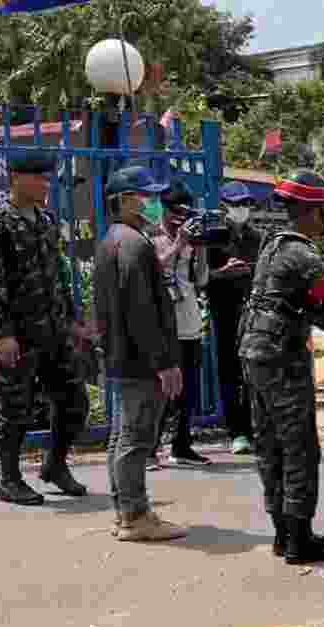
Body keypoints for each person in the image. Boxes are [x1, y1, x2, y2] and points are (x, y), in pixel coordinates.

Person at [237, 170, 324, 565]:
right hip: (282, 359)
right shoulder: (302, 255)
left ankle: (282, 533)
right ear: (313, 211)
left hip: (254, 356)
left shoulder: (273, 246)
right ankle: (299, 539)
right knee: (299, 447)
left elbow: (309, 304)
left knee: (269, 445)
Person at [0, 151, 91, 505]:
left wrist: (73, 320)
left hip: (55, 329)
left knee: (74, 400)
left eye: (47, 178)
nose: (46, 184)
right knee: (15, 408)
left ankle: (55, 465)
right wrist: (3, 333)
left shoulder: (46, 219)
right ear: (15, 177)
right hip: (21, 333)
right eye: (39, 178)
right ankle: (9, 479)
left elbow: (58, 272)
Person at [91, 166, 187, 542]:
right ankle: (135, 515)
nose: (151, 202)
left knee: (122, 437)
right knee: (136, 438)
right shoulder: (134, 243)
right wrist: (162, 362)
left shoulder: (113, 240)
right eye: (144, 196)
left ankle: (126, 511)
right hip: (140, 359)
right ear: (125, 200)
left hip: (121, 353)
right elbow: (141, 309)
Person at [151, 180, 212, 468]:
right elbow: (154, 269)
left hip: (188, 320)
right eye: (174, 211)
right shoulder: (151, 238)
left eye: (184, 213)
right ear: (164, 210)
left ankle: (182, 446)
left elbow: (200, 280)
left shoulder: (192, 239)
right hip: (162, 324)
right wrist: (178, 244)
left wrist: (199, 249)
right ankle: (149, 448)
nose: (179, 218)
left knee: (189, 388)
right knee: (161, 389)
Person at [205, 181, 263, 455]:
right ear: (224, 206)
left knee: (254, 371)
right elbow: (199, 280)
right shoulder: (213, 237)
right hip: (224, 311)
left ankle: (255, 427)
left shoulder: (257, 238)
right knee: (230, 373)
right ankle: (237, 431)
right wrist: (222, 274)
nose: (242, 209)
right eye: (236, 204)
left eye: (246, 204)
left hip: (252, 310)